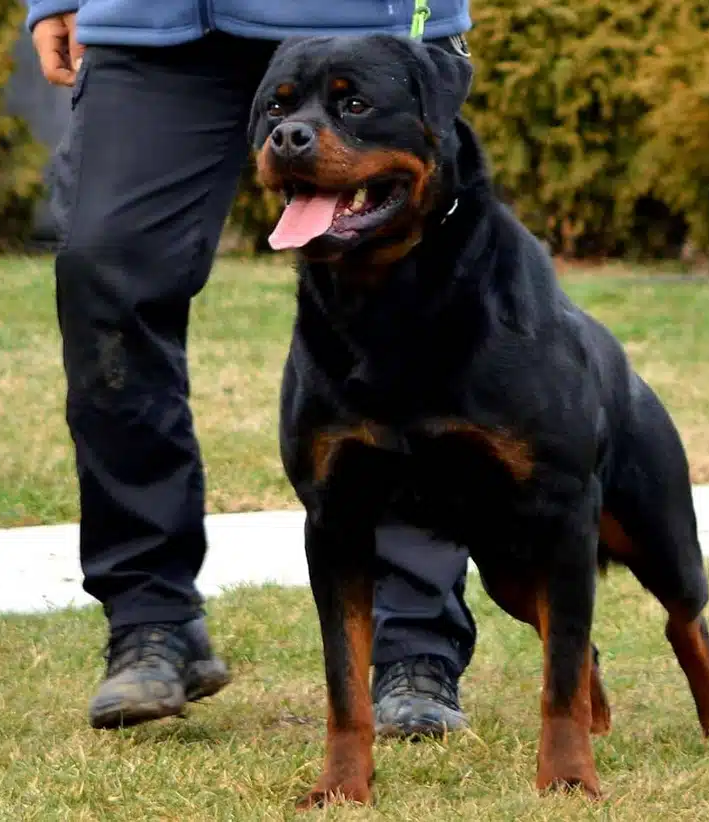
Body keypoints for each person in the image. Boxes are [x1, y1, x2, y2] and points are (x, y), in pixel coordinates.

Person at [26, 0, 479, 737]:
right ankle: (152, 619)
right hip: (151, 21)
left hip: (359, 12)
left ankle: (415, 648)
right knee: (106, 276)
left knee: (404, 301)